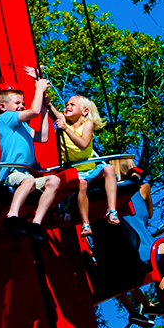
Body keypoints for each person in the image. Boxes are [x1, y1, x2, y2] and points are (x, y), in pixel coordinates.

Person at [0, 77, 65, 239]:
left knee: (54, 181)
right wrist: (39, 89)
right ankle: (11, 217)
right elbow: (33, 111)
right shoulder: (5, 118)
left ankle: (36, 223)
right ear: (3, 106)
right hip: (12, 173)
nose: (22, 106)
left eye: (23, 103)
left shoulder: (23, 125)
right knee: (29, 181)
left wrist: (44, 110)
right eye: (17, 103)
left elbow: (42, 137)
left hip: (26, 174)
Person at [52, 94, 120, 234]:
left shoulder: (87, 124)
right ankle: (86, 224)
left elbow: (83, 144)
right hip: (75, 172)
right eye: (67, 105)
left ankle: (112, 210)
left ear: (85, 111)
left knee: (109, 168)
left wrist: (66, 129)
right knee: (81, 183)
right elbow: (50, 108)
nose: (67, 107)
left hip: (90, 169)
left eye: (72, 105)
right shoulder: (64, 122)